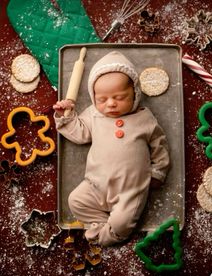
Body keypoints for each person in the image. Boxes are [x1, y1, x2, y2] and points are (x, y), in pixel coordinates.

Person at [53, 51, 170, 246]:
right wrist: (66, 115)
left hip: (130, 189)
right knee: (75, 201)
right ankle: (99, 224)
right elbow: (79, 134)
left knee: (122, 221)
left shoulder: (144, 118)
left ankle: (108, 236)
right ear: (93, 98)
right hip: (95, 184)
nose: (111, 104)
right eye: (102, 99)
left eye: (120, 97)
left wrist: (158, 171)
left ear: (135, 94)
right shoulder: (94, 115)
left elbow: (160, 145)